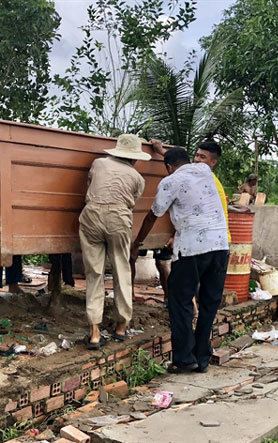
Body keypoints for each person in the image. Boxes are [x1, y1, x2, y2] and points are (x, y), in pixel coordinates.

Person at [131, 147, 229, 374]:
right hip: (221, 247)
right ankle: (202, 358)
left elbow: (153, 214)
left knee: (181, 302)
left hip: (192, 250)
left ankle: (184, 359)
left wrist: (137, 243)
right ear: (189, 160)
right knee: (208, 304)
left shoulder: (170, 181)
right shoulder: (204, 170)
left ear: (168, 167)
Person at [79, 134, 150, 349]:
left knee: (94, 273)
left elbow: (90, 184)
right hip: (119, 219)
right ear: (135, 158)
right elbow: (131, 203)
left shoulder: (98, 163)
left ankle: (94, 332)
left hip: (91, 215)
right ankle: (121, 326)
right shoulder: (138, 177)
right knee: (121, 270)